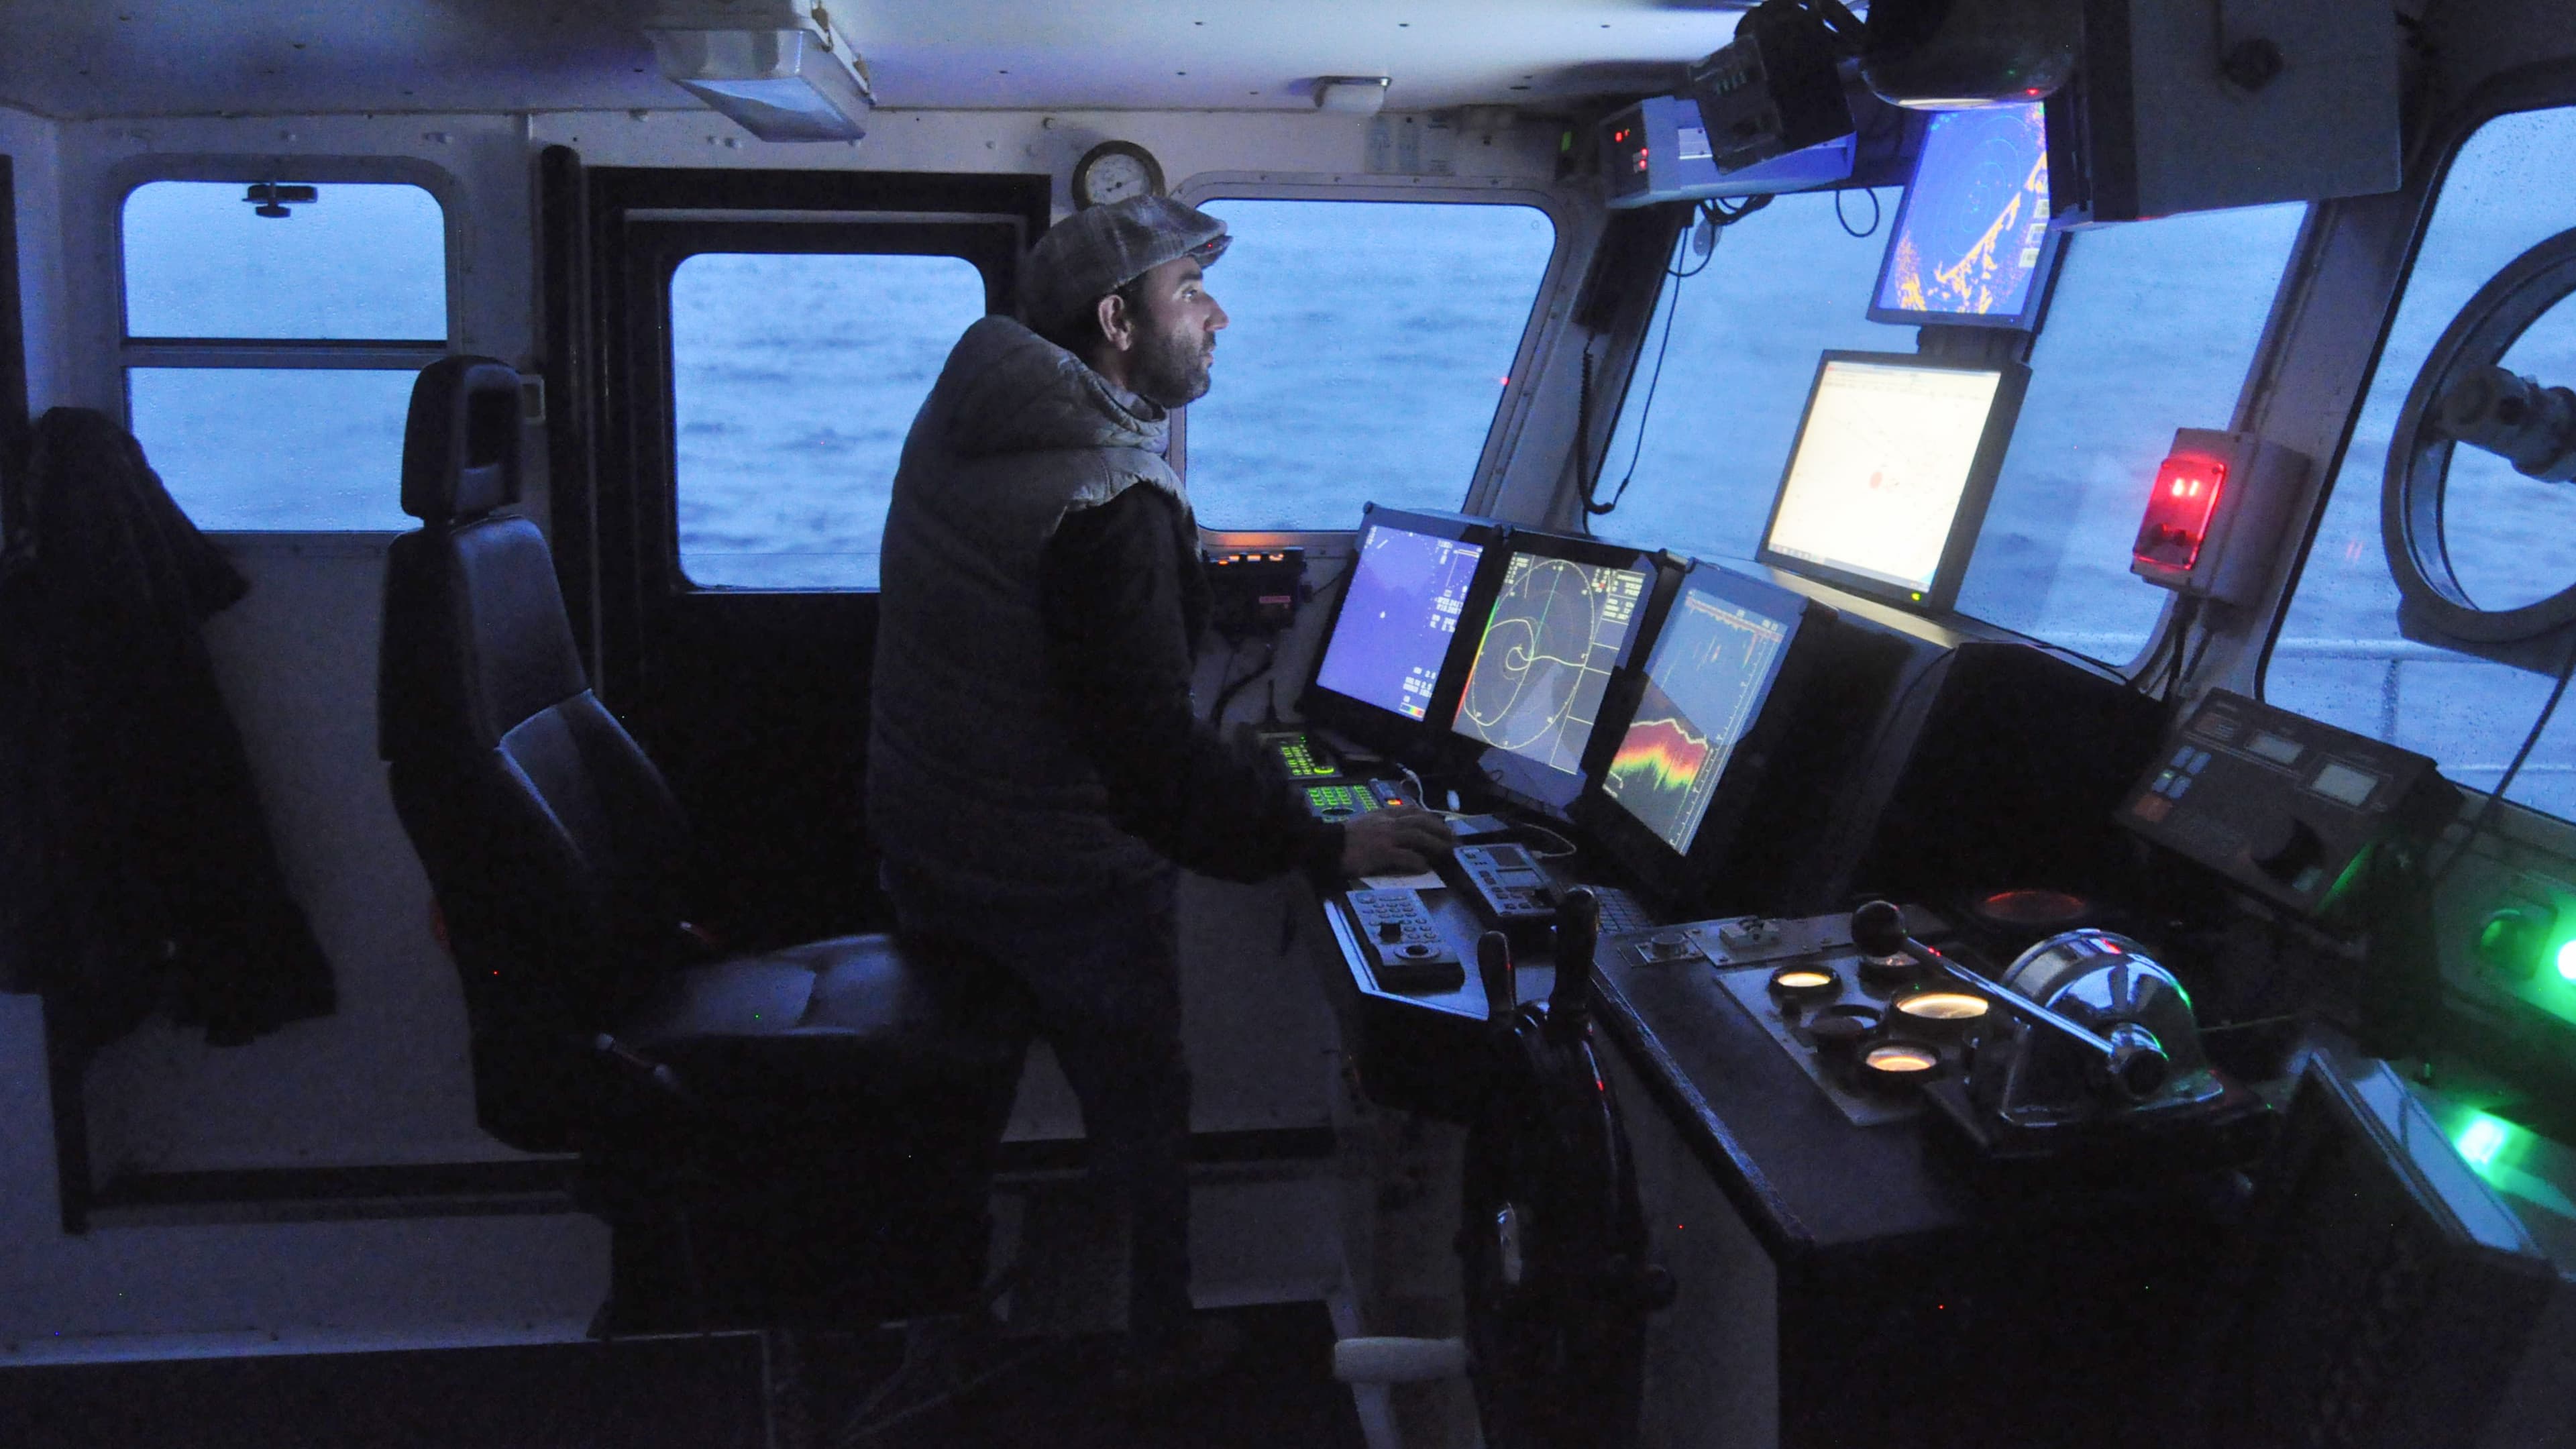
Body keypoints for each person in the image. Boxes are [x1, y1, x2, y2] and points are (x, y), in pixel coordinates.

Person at [867, 195, 1453, 1379]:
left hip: (934, 842)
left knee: (959, 1117)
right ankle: (1158, 1343)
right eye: (1191, 293)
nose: (1217, 315)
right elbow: (1149, 766)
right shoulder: (1105, 497)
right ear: (1116, 323)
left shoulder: (965, 424)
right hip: (1056, 874)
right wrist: (1323, 841)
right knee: (1144, 1114)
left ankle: (937, 1314)